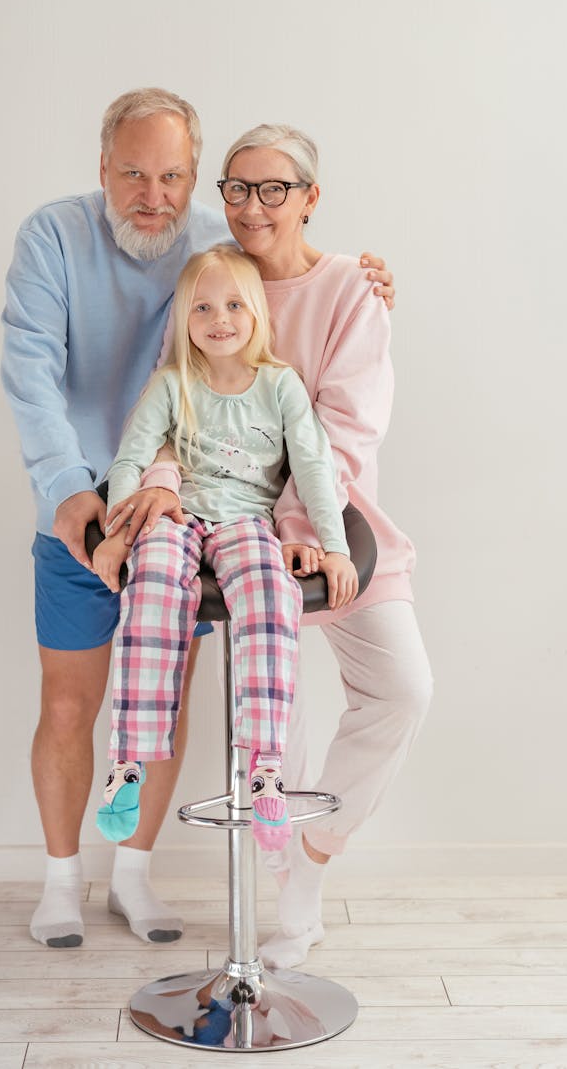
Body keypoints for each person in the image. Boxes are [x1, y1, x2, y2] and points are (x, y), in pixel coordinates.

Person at [1, 86, 396, 950]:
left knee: (166, 692)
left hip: (190, 528)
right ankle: (63, 879)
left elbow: (273, 312)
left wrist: (362, 279)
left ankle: (133, 878)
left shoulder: (216, 260)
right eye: (135, 172)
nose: (154, 193)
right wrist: (76, 490)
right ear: (103, 168)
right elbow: (30, 371)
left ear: (195, 181)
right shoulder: (53, 237)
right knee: (71, 703)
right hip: (80, 515)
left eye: (173, 174)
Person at [108, 123, 433, 969]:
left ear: (310, 197)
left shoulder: (353, 290)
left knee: (402, 687)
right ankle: (273, 864)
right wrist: (162, 488)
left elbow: (342, 438)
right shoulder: (219, 282)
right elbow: (174, 409)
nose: (253, 206)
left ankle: (308, 862)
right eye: (237, 188)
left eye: (274, 189)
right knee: (270, 705)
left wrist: (301, 534)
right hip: (231, 535)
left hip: (332, 530)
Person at [91, 245, 358, 854]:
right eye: (204, 306)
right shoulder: (172, 384)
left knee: (271, 596)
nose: (221, 318)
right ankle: (128, 762)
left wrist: (334, 547)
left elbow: (316, 469)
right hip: (178, 516)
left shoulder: (280, 385)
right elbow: (131, 460)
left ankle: (267, 767)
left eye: (235, 304)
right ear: (185, 318)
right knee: (153, 586)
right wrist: (117, 537)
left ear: (257, 312)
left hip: (246, 524)